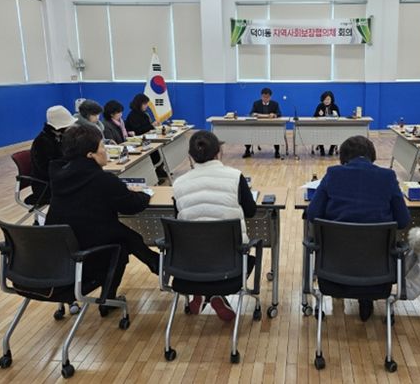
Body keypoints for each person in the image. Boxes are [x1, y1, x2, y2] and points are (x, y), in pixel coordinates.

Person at [45, 124, 159, 314]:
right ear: (90, 155)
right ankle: (112, 296)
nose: (106, 151)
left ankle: (154, 263)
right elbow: (132, 205)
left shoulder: (58, 175)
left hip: (58, 256)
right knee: (120, 244)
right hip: (85, 259)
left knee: (122, 236)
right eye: (103, 147)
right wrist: (144, 193)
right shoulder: (102, 180)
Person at [306, 135, 410, 322]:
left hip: (334, 269)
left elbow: (313, 214)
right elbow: (403, 220)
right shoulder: (387, 177)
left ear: (343, 157)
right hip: (378, 272)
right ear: (372, 156)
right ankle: (365, 300)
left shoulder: (333, 174)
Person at [172, 130, 257, 321]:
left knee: (205, 248)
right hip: (231, 264)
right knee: (239, 252)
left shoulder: (178, 184)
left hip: (190, 266)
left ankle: (206, 294)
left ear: (190, 156)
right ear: (219, 152)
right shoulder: (235, 177)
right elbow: (251, 211)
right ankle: (214, 295)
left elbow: (179, 219)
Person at [30, 105, 76, 204]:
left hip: (60, 179)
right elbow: (47, 170)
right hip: (46, 186)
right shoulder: (41, 142)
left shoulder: (59, 137)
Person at [243, 87, 282, 159]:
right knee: (248, 132)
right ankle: (247, 150)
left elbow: (279, 113)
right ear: (261, 96)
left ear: (270, 97)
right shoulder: (256, 103)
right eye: (264, 97)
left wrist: (274, 115)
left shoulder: (275, 104)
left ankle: (277, 151)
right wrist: (254, 114)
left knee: (276, 133)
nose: (265, 99)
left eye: (267, 97)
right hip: (257, 125)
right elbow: (251, 113)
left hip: (271, 126)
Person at [313, 90, 340, 156]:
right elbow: (314, 116)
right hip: (321, 127)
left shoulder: (335, 106)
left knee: (336, 133)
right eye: (325, 99)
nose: (326, 101)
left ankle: (332, 149)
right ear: (322, 100)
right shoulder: (320, 106)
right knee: (319, 133)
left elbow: (339, 117)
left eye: (328, 99)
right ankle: (321, 149)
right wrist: (318, 115)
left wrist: (335, 115)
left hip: (333, 127)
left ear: (331, 99)